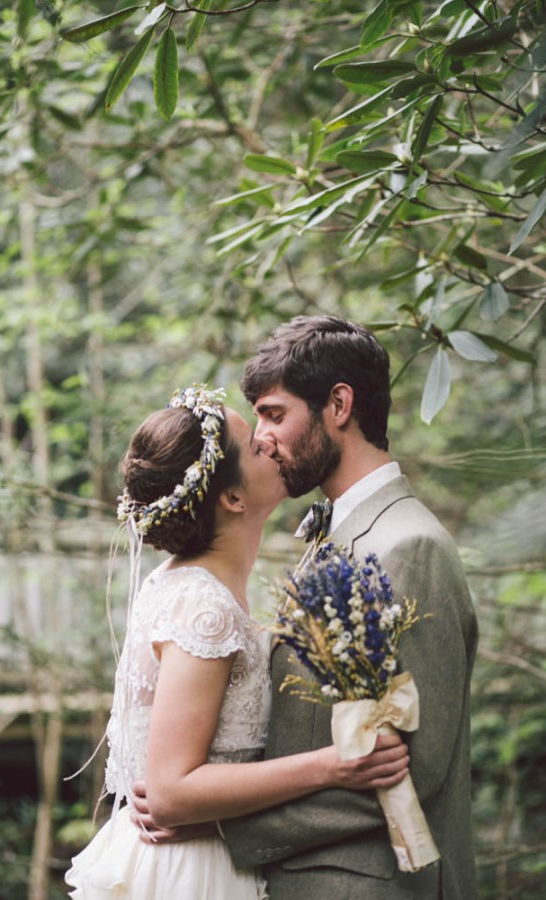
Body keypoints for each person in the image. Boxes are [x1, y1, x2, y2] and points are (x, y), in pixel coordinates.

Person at [132, 317, 479, 900]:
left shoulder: (409, 546)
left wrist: (219, 825)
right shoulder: (331, 535)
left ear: (338, 405)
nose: (263, 438)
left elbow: (416, 767)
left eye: (273, 414)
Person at [65, 383, 409, 900]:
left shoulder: (192, 586)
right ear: (232, 497)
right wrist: (333, 764)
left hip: (211, 852)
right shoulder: (202, 608)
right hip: (188, 874)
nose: (271, 441)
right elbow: (171, 792)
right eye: (254, 445)